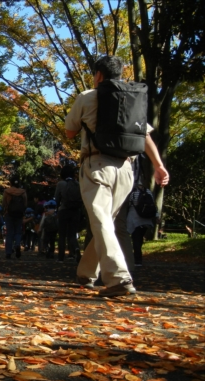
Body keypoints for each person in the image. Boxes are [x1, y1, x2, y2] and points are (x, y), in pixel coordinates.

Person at [65, 55, 169, 296]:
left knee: (101, 221)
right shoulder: (132, 100)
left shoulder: (88, 96)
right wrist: (159, 165)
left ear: (99, 75)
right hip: (126, 170)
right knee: (105, 222)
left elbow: (70, 132)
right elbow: (144, 137)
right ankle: (86, 273)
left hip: (97, 165)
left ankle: (119, 279)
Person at [54, 164, 82, 262]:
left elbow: (56, 199)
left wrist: (55, 210)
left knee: (62, 234)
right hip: (75, 211)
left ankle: (61, 257)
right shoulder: (78, 184)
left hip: (64, 210)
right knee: (72, 234)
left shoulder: (61, 184)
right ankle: (75, 250)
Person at [127, 182, 156, 267]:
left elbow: (129, 204)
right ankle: (138, 258)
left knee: (135, 239)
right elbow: (153, 205)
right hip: (146, 220)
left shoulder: (132, 192)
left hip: (134, 219)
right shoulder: (148, 191)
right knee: (139, 239)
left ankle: (137, 260)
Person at [2, 177, 27, 259]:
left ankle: (8, 252)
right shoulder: (23, 192)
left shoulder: (7, 192)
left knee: (9, 233)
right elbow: (25, 204)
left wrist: (5, 210)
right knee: (18, 232)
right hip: (19, 214)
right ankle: (17, 245)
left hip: (9, 214)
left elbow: (4, 203)